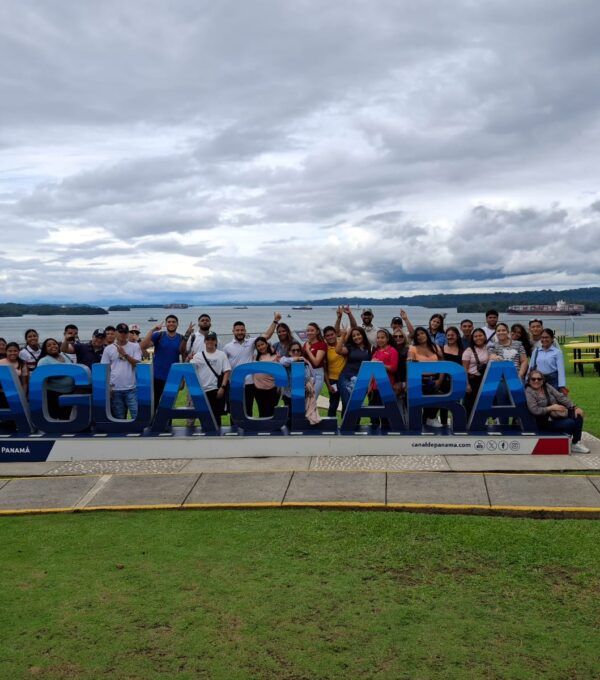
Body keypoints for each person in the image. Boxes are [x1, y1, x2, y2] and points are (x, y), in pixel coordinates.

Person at [223, 315, 278, 415]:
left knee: (248, 410)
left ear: (245, 331)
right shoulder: (227, 347)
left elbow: (267, 336)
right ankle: (234, 429)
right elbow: (224, 365)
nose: (240, 332)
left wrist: (275, 321)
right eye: (237, 330)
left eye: (242, 330)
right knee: (235, 410)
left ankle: (248, 430)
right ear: (233, 331)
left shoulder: (251, 342)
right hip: (235, 383)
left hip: (250, 384)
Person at [525, 370, 589, 453]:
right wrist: (551, 408)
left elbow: (560, 397)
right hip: (544, 421)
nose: (536, 381)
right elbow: (534, 410)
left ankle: (575, 443)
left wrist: (574, 407)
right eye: (533, 379)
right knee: (569, 423)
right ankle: (564, 442)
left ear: (543, 380)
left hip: (557, 414)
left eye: (539, 379)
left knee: (578, 415)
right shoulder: (529, 392)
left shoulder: (547, 386)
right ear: (529, 380)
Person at [101, 323, 142, 420]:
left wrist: (125, 355)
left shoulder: (135, 346)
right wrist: (109, 387)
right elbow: (105, 369)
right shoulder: (108, 349)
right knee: (119, 418)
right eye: (120, 332)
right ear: (116, 333)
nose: (122, 335)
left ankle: (137, 434)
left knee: (136, 416)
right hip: (115, 390)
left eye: (125, 332)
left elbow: (137, 364)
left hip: (131, 388)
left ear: (128, 334)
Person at [489, 322, 528, 424]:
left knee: (520, 403)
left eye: (503, 330)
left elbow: (524, 361)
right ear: (496, 333)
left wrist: (520, 375)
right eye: (498, 330)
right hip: (501, 380)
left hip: (516, 378)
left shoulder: (518, 344)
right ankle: (503, 426)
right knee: (502, 405)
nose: (501, 332)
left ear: (508, 332)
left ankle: (520, 425)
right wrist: (495, 357)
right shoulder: (494, 345)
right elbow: (490, 356)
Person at [189, 332, 231, 428]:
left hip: (216, 389)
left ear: (216, 341)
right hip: (202, 390)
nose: (210, 341)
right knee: (204, 417)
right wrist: (188, 358)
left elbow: (227, 371)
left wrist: (223, 387)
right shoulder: (198, 355)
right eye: (208, 339)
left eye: (212, 339)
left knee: (216, 416)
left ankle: (217, 437)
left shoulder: (221, 355)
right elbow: (190, 368)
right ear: (205, 341)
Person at [140, 315, 183, 406]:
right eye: (169, 322)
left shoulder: (181, 338)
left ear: (177, 324)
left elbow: (184, 357)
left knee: (169, 405)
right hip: (157, 377)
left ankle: (168, 421)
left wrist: (182, 378)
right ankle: (153, 421)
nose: (171, 323)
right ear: (166, 324)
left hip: (172, 377)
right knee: (154, 404)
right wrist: (152, 330)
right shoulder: (159, 335)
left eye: (173, 322)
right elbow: (142, 346)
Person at [407, 326, 443, 427]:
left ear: (426, 334)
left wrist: (440, 380)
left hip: (435, 379)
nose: (420, 336)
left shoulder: (435, 347)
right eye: (417, 335)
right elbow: (409, 364)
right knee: (422, 402)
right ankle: (425, 421)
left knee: (439, 397)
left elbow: (442, 364)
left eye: (422, 333)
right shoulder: (413, 348)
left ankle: (430, 419)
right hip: (419, 381)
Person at [279, 341, 321, 425]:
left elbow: (313, 376)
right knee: (290, 417)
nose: (296, 352)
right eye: (293, 350)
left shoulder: (305, 363)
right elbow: (282, 362)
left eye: (298, 350)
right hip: (289, 394)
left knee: (301, 417)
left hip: (303, 394)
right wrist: (297, 358)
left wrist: (308, 384)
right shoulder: (285, 360)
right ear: (289, 352)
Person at [36, 338, 74, 420]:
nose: (52, 346)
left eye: (54, 344)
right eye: (49, 345)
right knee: (55, 417)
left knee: (66, 417)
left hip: (69, 392)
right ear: (45, 349)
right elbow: (40, 378)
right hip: (54, 394)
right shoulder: (43, 361)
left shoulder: (65, 355)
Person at [336, 326, 371, 413]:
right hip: (346, 378)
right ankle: (346, 426)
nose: (356, 337)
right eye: (354, 336)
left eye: (358, 334)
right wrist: (343, 335)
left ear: (363, 335)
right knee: (347, 403)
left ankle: (356, 425)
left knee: (357, 404)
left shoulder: (369, 347)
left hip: (361, 379)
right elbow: (338, 350)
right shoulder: (350, 347)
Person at [369, 329, 399, 428]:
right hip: (374, 387)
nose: (380, 339)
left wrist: (380, 365)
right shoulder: (376, 352)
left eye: (382, 337)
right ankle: (374, 434)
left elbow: (393, 368)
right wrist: (369, 386)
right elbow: (372, 371)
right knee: (373, 413)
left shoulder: (392, 351)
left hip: (386, 386)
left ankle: (385, 436)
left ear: (387, 338)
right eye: (378, 338)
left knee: (385, 414)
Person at [528, 328, 566, 392]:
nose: (544, 339)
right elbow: (531, 367)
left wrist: (562, 385)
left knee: (553, 400)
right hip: (538, 381)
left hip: (553, 381)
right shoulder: (536, 351)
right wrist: (527, 380)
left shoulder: (557, 352)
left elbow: (561, 370)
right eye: (542, 337)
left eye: (547, 337)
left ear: (552, 338)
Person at [462, 328, 490, 417]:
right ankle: (466, 425)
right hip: (472, 380)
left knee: (483, 404)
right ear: (472, 338)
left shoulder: (489, 348)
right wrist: (467, 384)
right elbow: (464, 369)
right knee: (469, 404)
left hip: (484, 380)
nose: (478, 338)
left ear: (485, 337)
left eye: (480, 335)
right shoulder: (468, 351)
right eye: (475, 336)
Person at [251, 337, 281, 418]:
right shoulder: (255, 357)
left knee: (271, 412)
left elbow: (279, 373)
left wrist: (279, 387)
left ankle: (272, 429)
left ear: (267, 344)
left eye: (262, 344)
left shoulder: (275, 356)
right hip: (258, 389)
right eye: (258, 346)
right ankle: (263, 429)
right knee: (262, 411)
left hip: (272, 389)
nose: (261, 347)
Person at [439, 326, 463, 426]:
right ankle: (444, 424)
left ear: (457, 336)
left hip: (456, 382)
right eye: (448, 335)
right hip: (443, 381)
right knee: (443, 405)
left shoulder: (462, 351)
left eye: (452, 335)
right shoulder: (441, 349)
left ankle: (456, 425)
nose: (450, 337)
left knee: (455, 404)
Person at [323, 324, 346, 418]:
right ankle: (330, 426)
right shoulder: (325, 349)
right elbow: (324, 369)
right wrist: (328, 385)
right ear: (325, 337)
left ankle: (346, 426)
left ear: (336, 334)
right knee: (333, 404)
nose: (330, 337)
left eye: (332, 334)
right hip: (333, 380)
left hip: (345, 380)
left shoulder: (343, 344)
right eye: (327, 336)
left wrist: (339, 317)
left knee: (346, 403)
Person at [302, 322, 327, 397]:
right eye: (308, 330)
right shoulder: (306, 343)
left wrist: (308, 350)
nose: (309, 332)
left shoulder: (322, 344)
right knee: (305, 399)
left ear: (317, 332)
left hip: (317, 373)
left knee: (312, 399)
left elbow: (316, 362)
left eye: (312, 330)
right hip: (306, 373)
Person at [391, 327, 409, 397]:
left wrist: (407, 382)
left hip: (405, 380)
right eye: (395, 336)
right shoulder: (389, 349)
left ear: (404, 337)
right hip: (393, 381)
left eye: (400, 336)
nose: (398, 338)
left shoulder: (409, 349)